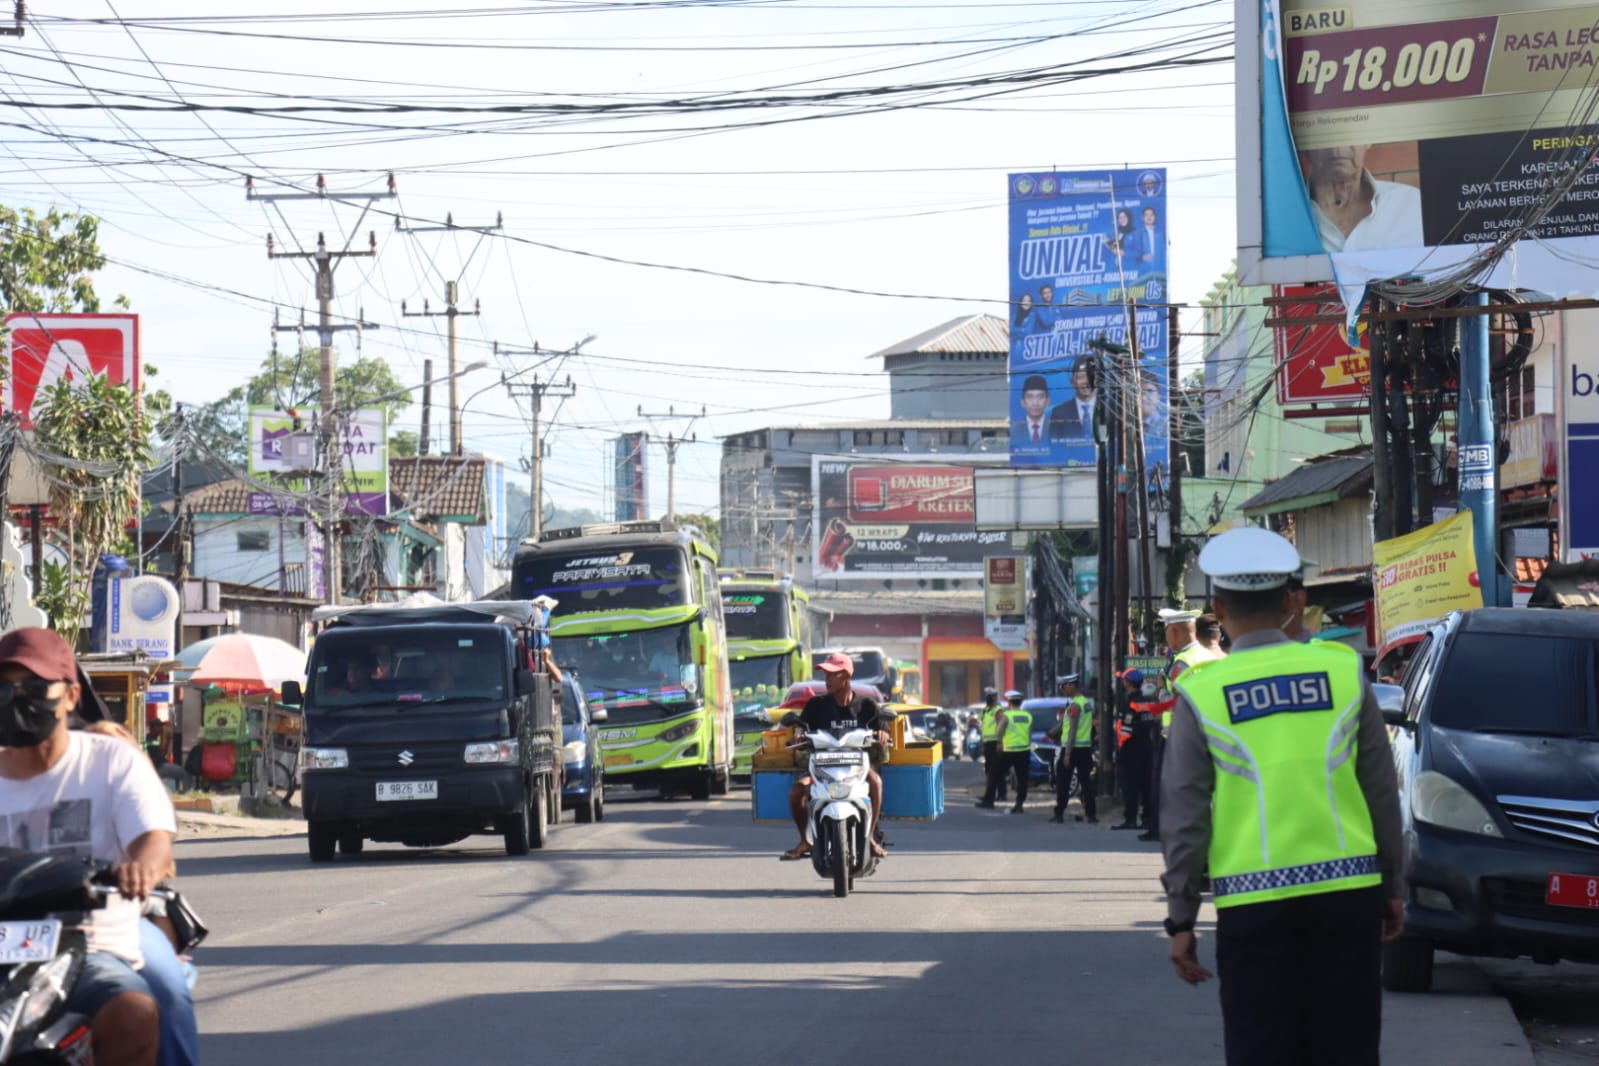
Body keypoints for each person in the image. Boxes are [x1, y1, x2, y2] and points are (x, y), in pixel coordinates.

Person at [1159, 526, 1405, 1065]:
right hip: (1348, 895)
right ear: (1292, 602)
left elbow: (1184, 817)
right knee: (1347, 1050)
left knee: (1261, 1048)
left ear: (1218, 608)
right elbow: (1381, 790)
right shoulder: (1343, 671)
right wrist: (1393, 884)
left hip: (1253, 905)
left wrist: (1181, 918)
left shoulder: (1200, 694)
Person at [0, 627, 176, 1066]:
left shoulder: (111, 759)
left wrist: (141, 868)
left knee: (138, 1011)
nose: (18, 698)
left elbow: (154, 840)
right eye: (5, 687)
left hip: (90, 947)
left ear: (72, 696)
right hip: (5, 950)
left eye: (34, 687)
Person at [782, 653, 889, 861]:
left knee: (876, 782)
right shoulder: (816, 705)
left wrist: (883, 735)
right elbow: (802, 730)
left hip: (856, 770)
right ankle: (805, 840)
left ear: (846, 676)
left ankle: (870, 837)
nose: (827, 679)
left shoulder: (866, 705)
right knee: (796, 791)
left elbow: (882, 730)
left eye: (832, 674)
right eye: (826, 674)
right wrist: (798, 738)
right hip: (822, 771)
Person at [1300, 144, 1424, 253]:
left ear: (1368, 141)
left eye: (1349, 131)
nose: (1338, 148)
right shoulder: (1292, 215)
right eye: (1325, 134)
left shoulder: (1413, 205)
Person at [1111, 669, 1155, 831]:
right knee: (1146, 785)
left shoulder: (1129, 704)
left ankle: (1130, 819)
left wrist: (1121, 750)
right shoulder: (1146, 702)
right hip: (1146, 746)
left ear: (1128, 683)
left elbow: (1125, 730)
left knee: (1130, 785)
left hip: (1131, 748)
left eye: (1124, 680)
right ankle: (1147, 818)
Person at [1050, 675, 1096, 825]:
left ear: (1072, 686)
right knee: (1086, 782)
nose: (1062, 690)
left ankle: (1059, 813)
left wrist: (1067, 753)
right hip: (1085, 748)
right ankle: (1091, 814)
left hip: (1072, 749)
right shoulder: (1085, 703)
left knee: (1063, 782)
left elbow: (1072, 730)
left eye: (1064, 687)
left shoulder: (1075, 706)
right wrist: (1051, 734)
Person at [994, 690, 1033, 815]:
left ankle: (990, 798)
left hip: (1009, 751)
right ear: (1020, 703)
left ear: (1009, 702)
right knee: (1022, 779)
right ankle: (1019, 804)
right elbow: (1029, 733)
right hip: (1024, 751)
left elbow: (999, 732)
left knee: (996, 772)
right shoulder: (1028, 716)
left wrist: (999, 743)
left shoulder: (1007, 715)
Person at [1049, 353, 1098, 440]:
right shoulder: (1059, 412)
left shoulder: (1109, 410)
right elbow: (1053, 444)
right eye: (1081, 377)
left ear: (1098, 380)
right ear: (1072, 382)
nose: (1086, 381)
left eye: (1090, 376)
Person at [974, 686, 1007, 807]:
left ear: (994, 698)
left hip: (995, 743)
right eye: (986, 696)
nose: (987, 698)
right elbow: (979, 722)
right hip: (987, 743)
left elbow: (1001, 726)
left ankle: (1001, 794)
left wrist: (1000, 742)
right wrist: (983, 744)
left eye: (989, 696)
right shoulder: (986, 710)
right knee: (989, 770)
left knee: (997, 770)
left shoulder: (998, 710)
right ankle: (989, 795)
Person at [1012, 374, 1056, 448]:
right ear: (1022, 402)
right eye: (1030, 397)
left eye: (1040, 397)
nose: (1035, 403)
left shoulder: (1057, 429)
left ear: (1048, 401)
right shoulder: (1013, 430)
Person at [1135, 206, 1163, 272]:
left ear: (1155, 217)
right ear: (1142, 218)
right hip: (1143, 271)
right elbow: (1132, 254)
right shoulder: (1137, 234)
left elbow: (1164, 253)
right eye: (1146, 215)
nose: (1149, 217)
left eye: (1151, 215)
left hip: (1160, 271)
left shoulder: (1161, 233)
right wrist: (1142, 258)